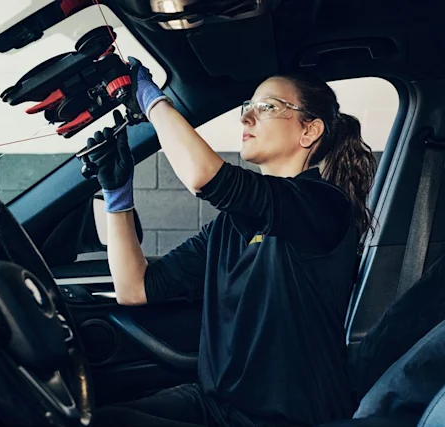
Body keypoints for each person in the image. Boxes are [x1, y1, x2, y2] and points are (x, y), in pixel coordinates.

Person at [90, 58, 377, 427]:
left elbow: (204, 178)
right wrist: (116, 195)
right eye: (248, 108)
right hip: (216, 405)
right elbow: (135, 289)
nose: (246, 119)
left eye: (267, 107)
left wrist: (151, 100)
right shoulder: (229, 227)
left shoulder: (323, 205)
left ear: (309, 131)